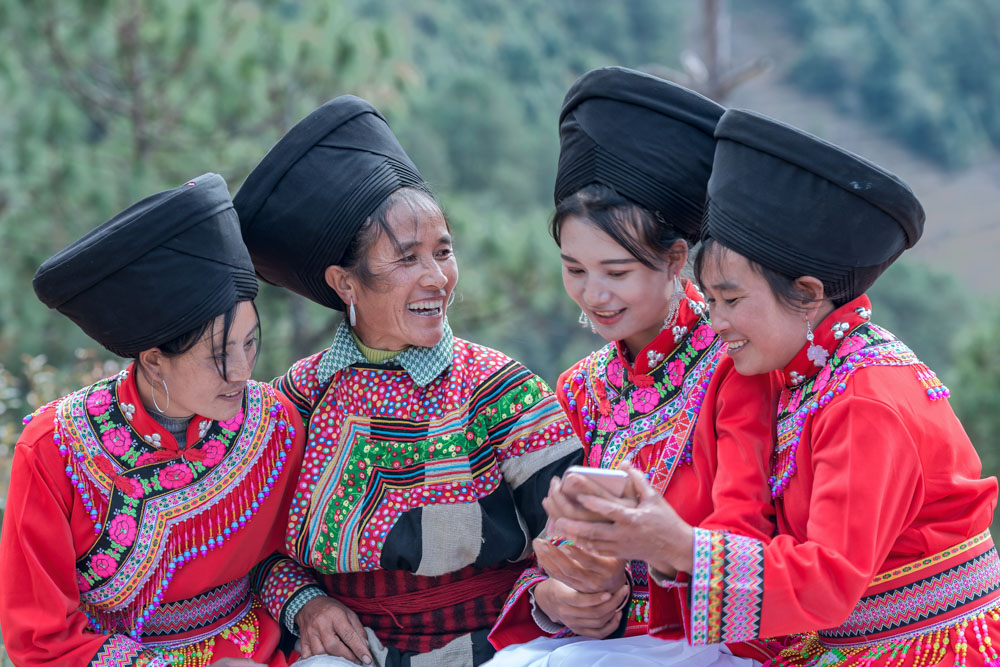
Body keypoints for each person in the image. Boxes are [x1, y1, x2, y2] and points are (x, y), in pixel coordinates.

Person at [550, 109, 1000, 666]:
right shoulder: (805, 376)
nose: (715, 324)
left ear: (809, 295)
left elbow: (827, 581)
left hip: (920, 649)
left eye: (732, 301)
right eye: (710, 302)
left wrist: (677, 545)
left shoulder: (864, 397)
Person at [233, 96, 584, 667]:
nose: (437, 278)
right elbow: (253, 546)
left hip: (493, 646)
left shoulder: (502, 387)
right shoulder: (297, 398)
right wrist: (305, 605)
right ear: (345, 283)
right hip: (351, 654)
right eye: (407, 259)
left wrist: (565, 589)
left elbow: (569, 528)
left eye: (443, 252)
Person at [485, 67, 778, 666]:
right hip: (610, 641)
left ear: (676, 259)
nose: (594, 295)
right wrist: (559, 595)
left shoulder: (736, 368)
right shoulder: (581, 389)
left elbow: (745, 542)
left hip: (715, 642)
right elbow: (545, 546)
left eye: (616, 272)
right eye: (574, 269)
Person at [0, 174, 306, 666]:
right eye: (217, 355)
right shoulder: (53, 452)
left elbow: (285, 557)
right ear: (153, 357)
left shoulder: (276, 426)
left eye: (250, 343)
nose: (243, 372)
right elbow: (42, 641)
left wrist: (306, 604)